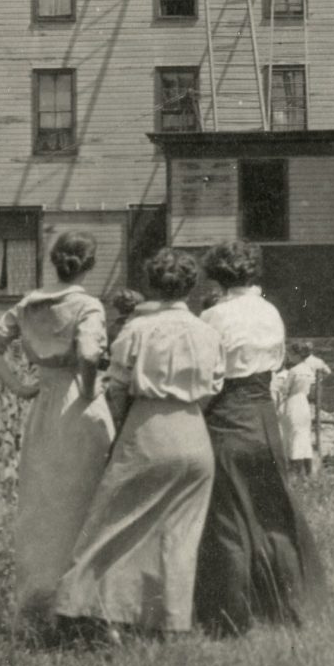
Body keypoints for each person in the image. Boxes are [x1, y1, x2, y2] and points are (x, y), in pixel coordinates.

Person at [55, 248, 223, 638]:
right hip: (194, 432)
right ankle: (170, 622)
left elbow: (116, 385)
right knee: (180, 534)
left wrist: (119, 424)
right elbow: (215, 386)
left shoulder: (136, 329)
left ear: (151, 284)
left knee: (112, 524)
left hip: (147, 426)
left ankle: (88, 611)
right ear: (191, 287)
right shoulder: (208, 332)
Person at [0, 229, 111, 636]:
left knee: (44, 506)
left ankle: (42, 607)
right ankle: (85, 607)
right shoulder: (87, 305)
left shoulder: (28, 304)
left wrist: (19, 387)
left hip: (44, 403)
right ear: (88, 264)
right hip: (80, 404)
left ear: (54, 261)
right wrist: (89, 389)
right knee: (88, 504)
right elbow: (89, 353)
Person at [193, 243, 325, 637]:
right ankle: (288, 609)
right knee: (274, 513)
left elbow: (209, 377)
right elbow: (277, 360)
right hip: (264, 415)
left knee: (227, 520)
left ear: (217, 275)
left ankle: (229, 618)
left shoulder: (211, 317)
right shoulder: (270, 311)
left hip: (226, 414)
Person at [273, 342, 332, 476]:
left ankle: (295, 469)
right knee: (304, 435)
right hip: (304, 402)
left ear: (297, 355)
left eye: (291, 355)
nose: (289, 357)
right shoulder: (308, 370)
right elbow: (314, 382)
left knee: (292, 434)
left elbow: (285, 389)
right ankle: (308, 469)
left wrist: (279, 387)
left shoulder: (294, 371)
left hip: (293, 402)